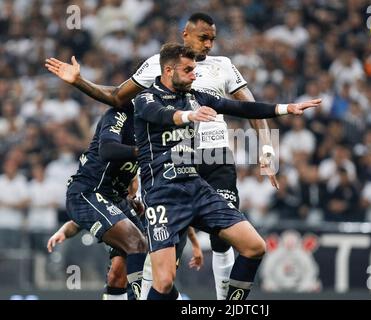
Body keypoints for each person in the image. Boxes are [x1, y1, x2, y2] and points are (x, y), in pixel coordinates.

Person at [45, 12, 278, 300]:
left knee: (224, 238)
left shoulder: (224, 66)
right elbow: (118, 96)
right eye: (203, 37)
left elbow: (251, 108)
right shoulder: (158, 66)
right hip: (173, 160)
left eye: (213, 39)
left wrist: (267, 149)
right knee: (161, 263)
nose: (209, 45)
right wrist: (80, 82)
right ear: (186, 35)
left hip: (215, 158)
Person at [133, 43, 320, 300]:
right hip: (163, 194)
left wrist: (284, 108)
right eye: (188, 70)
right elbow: (162, 115)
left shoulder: (195, 96)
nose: (193, 75)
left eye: (194, 70)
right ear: (168, 70)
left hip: (196, 186)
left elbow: (241, 108)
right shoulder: (145, 98)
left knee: (255, 247)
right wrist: (190, 116)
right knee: (164, 282)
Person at [62, 103, 149, 299]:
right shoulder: (120, 113)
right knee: (137, 243)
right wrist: (142, 152)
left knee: (119, 272)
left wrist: (131, 196)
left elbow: (133, 175)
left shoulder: (152, 124)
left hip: (116, 199)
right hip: (88, 192)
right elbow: (108, 150)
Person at [47, 220, 204, 300]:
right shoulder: (120, 197)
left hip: (160, 247)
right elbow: (80, 218)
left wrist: (195, 244)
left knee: (163, 284)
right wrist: (63, 231)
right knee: (116, 274)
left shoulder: (156, 186)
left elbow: (180, 212)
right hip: (130, 246)